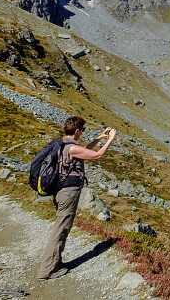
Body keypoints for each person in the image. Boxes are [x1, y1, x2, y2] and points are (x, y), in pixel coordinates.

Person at [37, 116, 116, 279]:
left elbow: (84, 151)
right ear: (77, 131)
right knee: (61, 229)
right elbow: (97, 156)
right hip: (68, 192)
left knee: (61, 227)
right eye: (83, 130)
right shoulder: (72, 148)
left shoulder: (63, 144)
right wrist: (110, 139)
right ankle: (48, 269)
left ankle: (55, 262)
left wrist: (99, 138)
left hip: (61, 191)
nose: (83, 132)